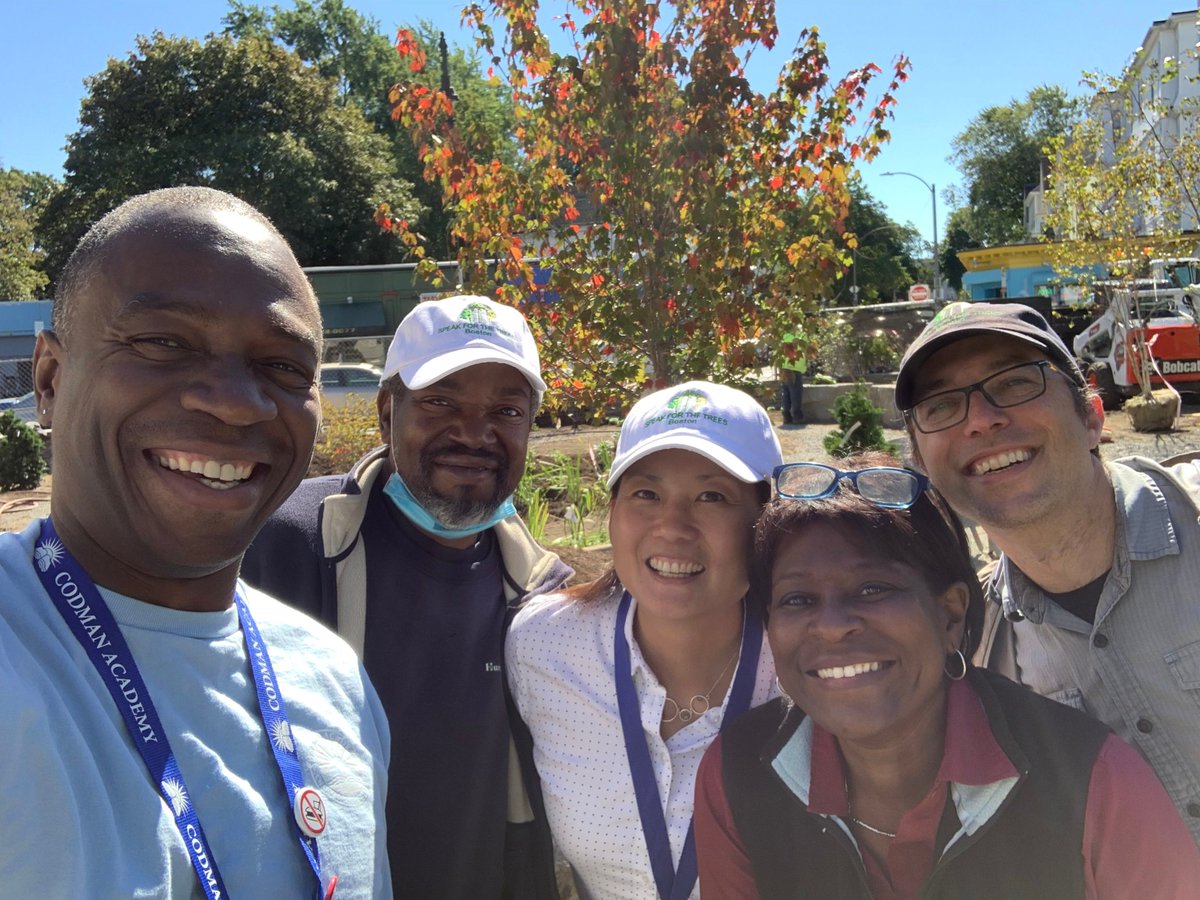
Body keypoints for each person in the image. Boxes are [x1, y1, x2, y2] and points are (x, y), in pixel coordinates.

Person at [1, 186, 390, 897]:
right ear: (50, 380)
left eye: (282, 367)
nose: (237, 401)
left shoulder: (336, 683)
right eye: (164, 343)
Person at [695, 455, 1200, 899]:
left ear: (951, 615)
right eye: (797, 600)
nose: (832, 626)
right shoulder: (739, 775)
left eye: (873, 588)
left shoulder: (1094, 781)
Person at [241, 294, 572, 898]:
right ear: (387, 411)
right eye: (441, 402)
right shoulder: (287, 543)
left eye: (506, 409)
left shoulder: (545, 595)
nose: (475, 433)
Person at [893, 300, 1200, 842]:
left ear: (1092, 416)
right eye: (941, 405)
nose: (982, 420)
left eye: (1014, 383)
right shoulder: (977, 653)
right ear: (924, 467)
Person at [506, 381, 782, 899]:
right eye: (646, 494)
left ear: (765, 519)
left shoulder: (807, 666)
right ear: (611, 511)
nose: (673, 526)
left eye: (712, 496)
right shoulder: (543, 646)